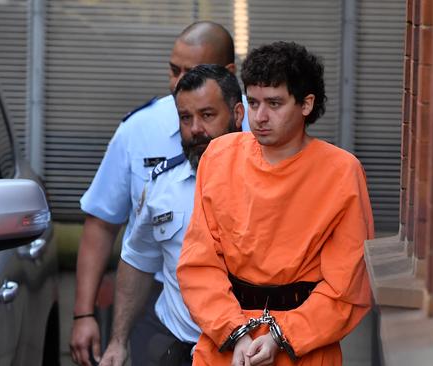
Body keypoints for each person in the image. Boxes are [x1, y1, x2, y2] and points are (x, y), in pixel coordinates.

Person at [176, 41, 375, 366]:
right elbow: (198, 266)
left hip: (305, 348)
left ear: (306, 104)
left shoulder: (341, 172)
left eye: (274, 103)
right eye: (252, 102)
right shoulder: (218, 156)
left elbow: (347, 286)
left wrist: (281, 336)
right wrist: (235, 332)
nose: (260, 116)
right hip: (223, 345)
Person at [70, 21, 249, 366]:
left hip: (248, 328)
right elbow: (107, 228)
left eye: (192, 71)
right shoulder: (139, 130)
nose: (180, 81)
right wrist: (86, 315)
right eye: (173, 70)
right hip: (164, 307)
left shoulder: (262, 129)